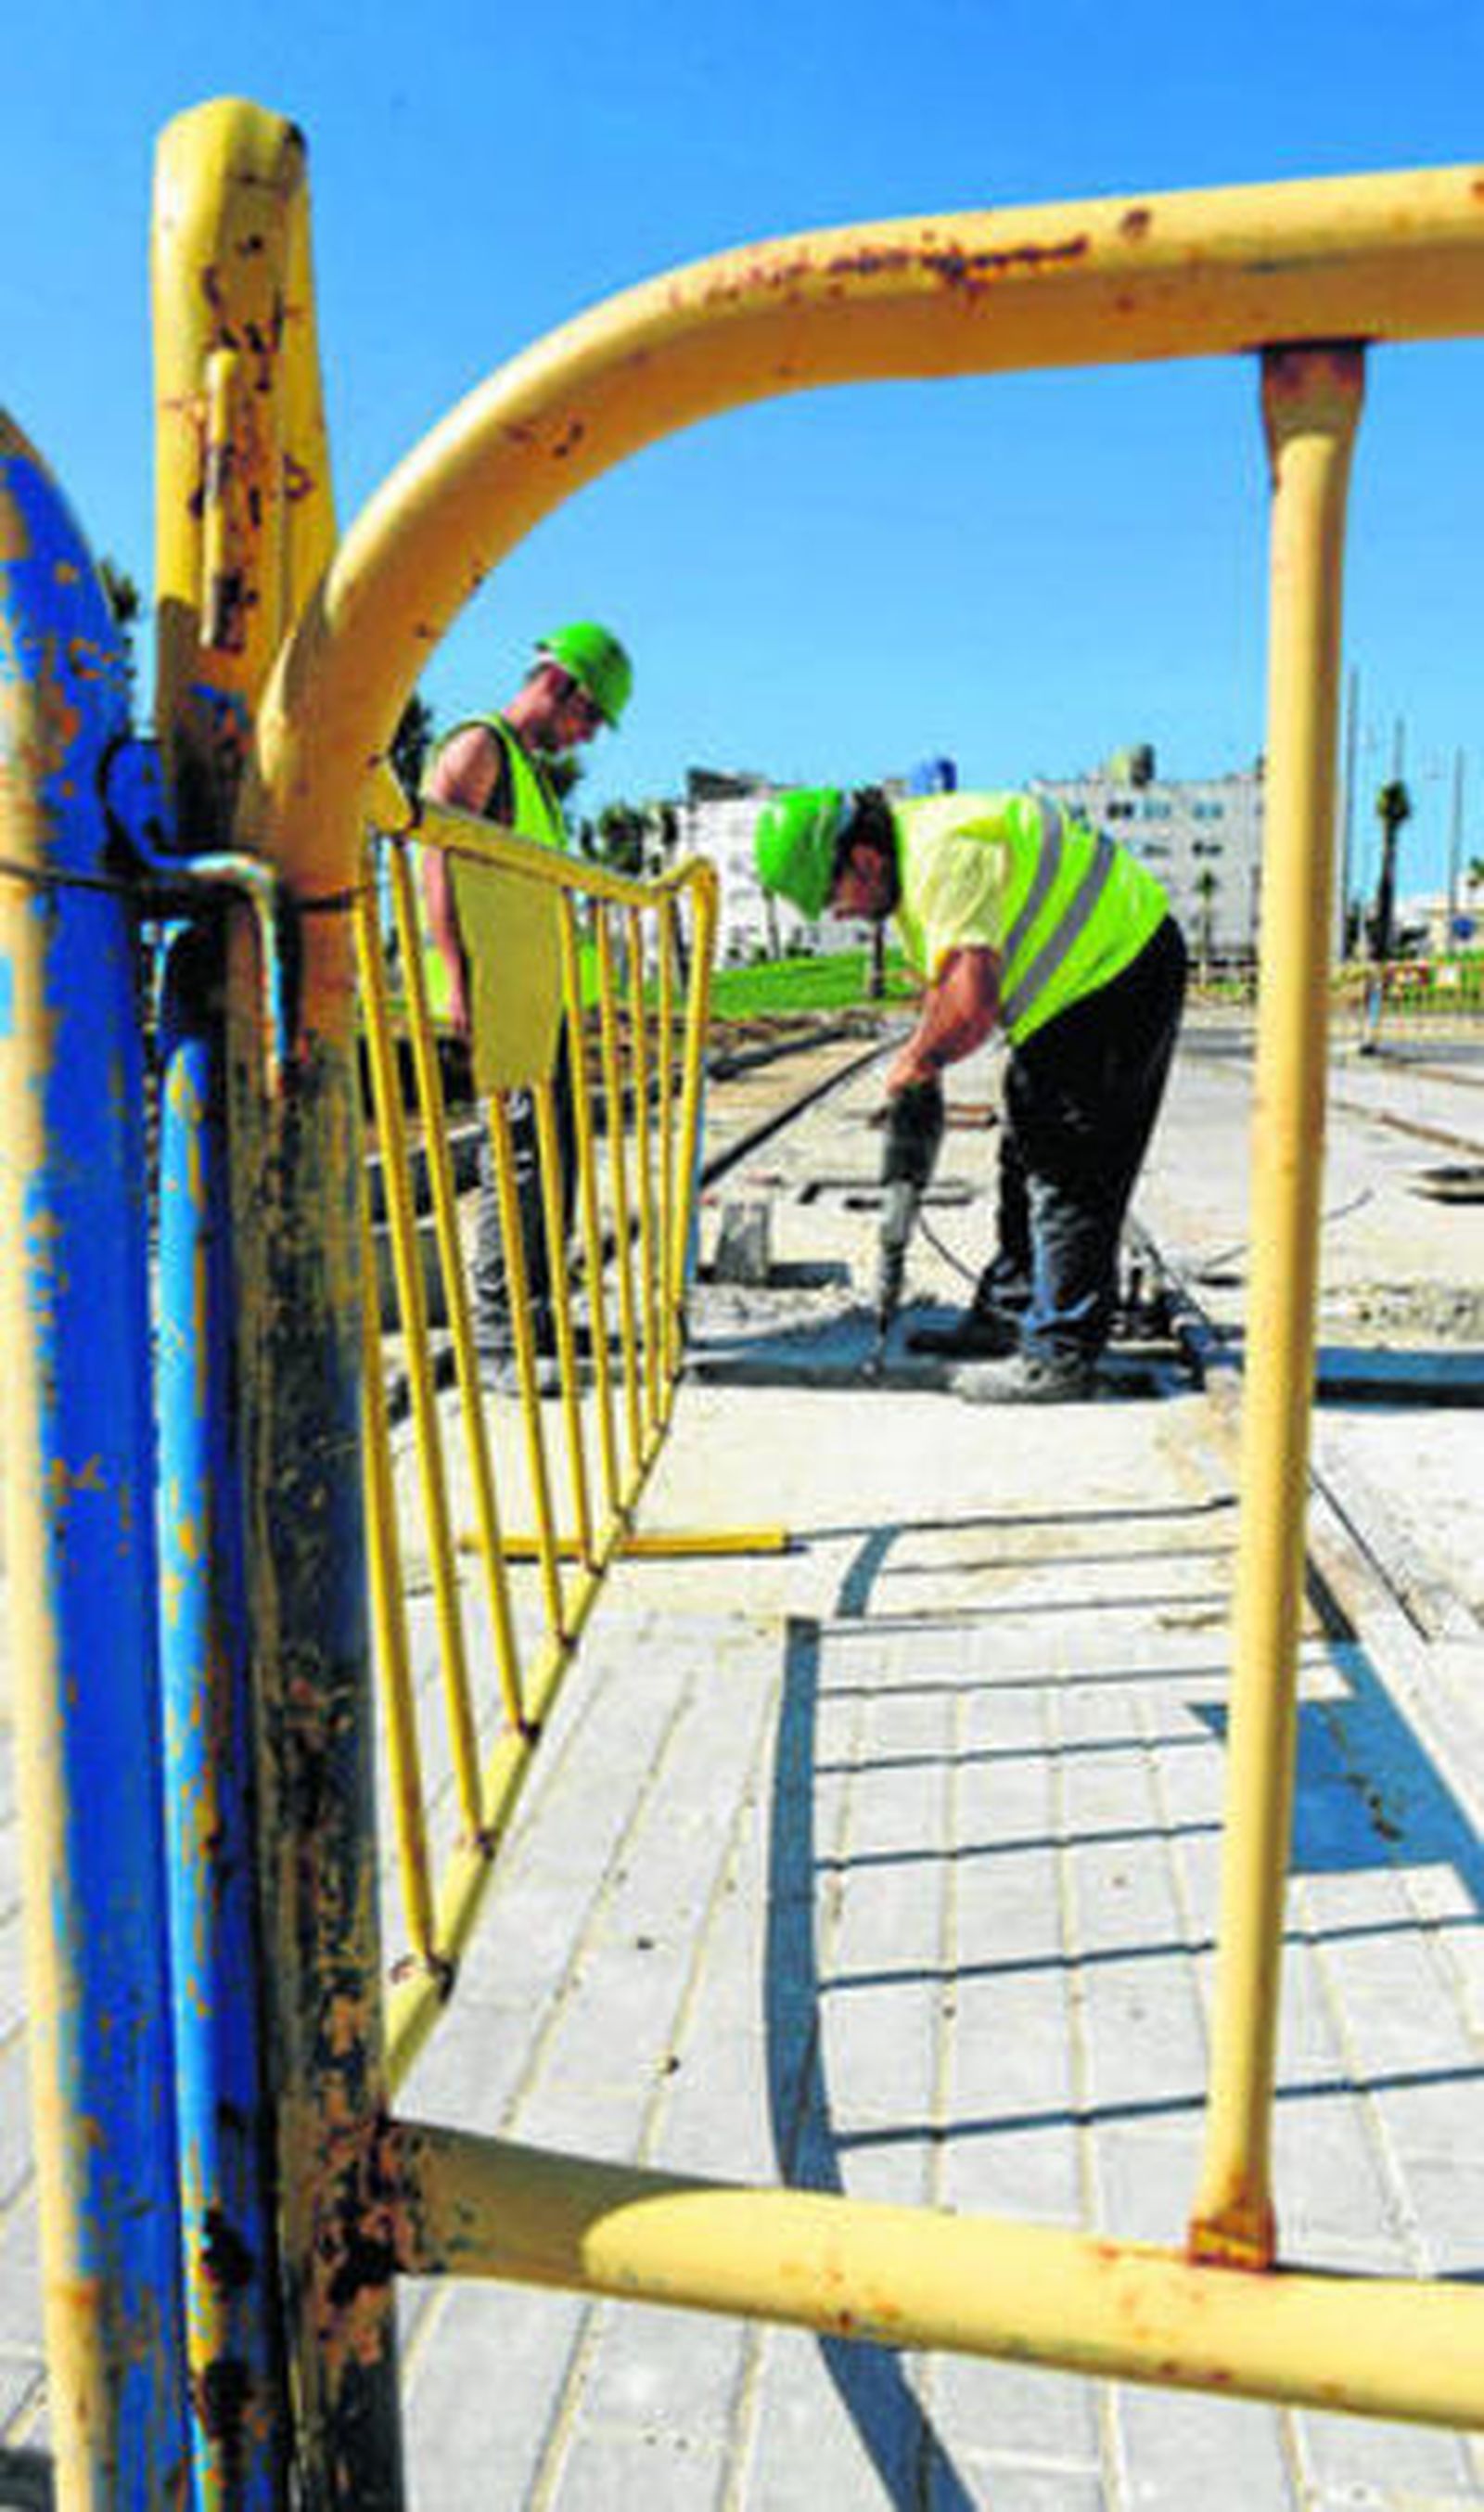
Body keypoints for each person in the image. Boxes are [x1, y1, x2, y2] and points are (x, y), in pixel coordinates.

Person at [753, 783, 1186, 1402]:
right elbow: (945, 988)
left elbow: (971, 1007)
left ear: (864, 860)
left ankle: (1062, 1354)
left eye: (830, 895)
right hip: (1081, 986)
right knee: (1026, 1143)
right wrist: (920, 1063)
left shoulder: (939, 855)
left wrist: (920, 1059)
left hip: (1117, 972)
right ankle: (1010, 1309)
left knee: (1069, 1164)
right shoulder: (914, 873)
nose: (836, 914)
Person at [422, 621, 633, 1379]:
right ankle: (496, 1340)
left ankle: (534, 1321)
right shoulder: (478, 748)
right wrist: (459, 978)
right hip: (497, 993)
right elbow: (437, 859)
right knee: (514, 1161)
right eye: (589, 716)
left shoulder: (529, 773)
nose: (587, 735)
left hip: (535, 994)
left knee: (553, 1158)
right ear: (558, 683)